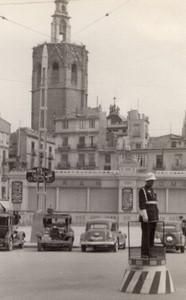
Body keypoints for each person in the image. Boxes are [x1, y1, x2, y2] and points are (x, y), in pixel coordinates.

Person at [139, 173, 159, 258]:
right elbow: (142, 204)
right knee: (146, 235)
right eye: (152, 180)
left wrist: (156, 216)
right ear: (148, 181)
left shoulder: (153, 190)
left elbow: (155, 204)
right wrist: (144, 215)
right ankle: (144, 253)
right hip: (147, 217)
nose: (153, 182)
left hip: (153, 216)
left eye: (153, 180)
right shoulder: (142, 190)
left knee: (151, 235)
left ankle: (150, 253)